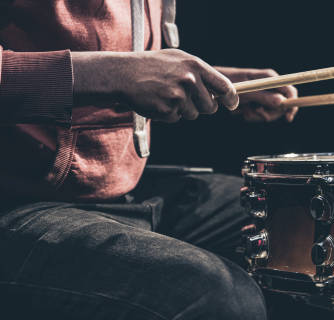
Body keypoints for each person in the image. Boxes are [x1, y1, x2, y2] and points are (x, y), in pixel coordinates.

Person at [0, 1, 298, 319]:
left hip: (120, 187)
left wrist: (213, 84)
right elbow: (116, 70)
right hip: (17, 200)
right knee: (217, 293)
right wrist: (117, 76)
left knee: (300, 223)